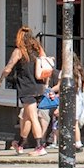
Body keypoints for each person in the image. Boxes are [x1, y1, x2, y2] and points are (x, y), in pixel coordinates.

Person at [8, 23, 49, 153]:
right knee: (26, 116)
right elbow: (46, 65)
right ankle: (20, 144)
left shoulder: (19, 51)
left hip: (27, 89)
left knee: (32, 117)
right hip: (39, 88)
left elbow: (9, 67)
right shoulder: (38, 50)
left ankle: (39, 146)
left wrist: (1, 79)